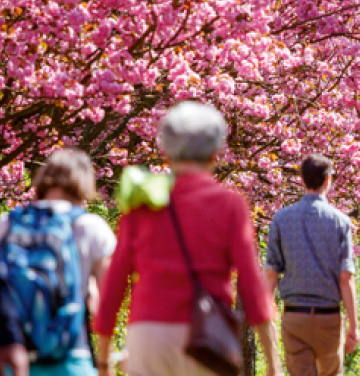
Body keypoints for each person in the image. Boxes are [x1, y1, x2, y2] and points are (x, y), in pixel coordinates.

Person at [95, 102, 281, 375]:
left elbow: (115, 278)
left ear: (166, 152)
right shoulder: (229, 204)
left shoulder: (142, 201)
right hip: (204, 336)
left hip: (148, 334)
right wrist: (273, 362)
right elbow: (251, 284)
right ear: (216, 153)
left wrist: (103, 358)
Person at [0, 149, 116, 376]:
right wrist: (104, 362)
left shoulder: (6, 224)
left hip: (13, 359)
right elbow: (106, 306)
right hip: (71, 357)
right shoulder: (91, 227)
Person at [264, 153, 359, 375]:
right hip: (329, 317)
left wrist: (266, 314)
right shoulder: (341, 222)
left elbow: (271, 273)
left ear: (302, 180)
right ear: (328, 180)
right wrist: (353, 326)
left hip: (294, 316)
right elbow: (346, 277)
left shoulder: (281, 219)